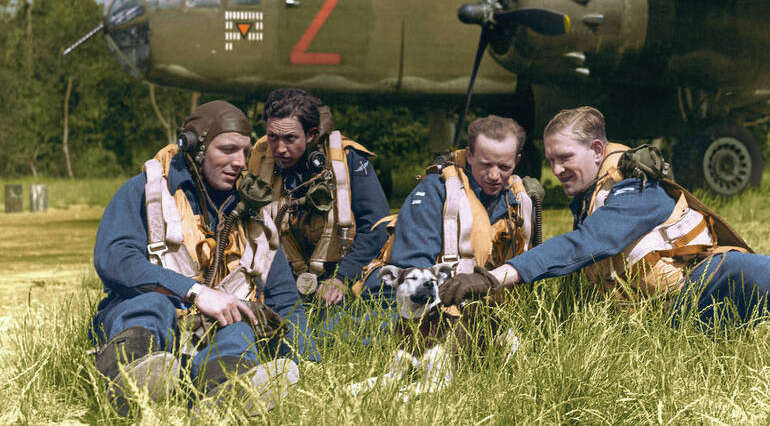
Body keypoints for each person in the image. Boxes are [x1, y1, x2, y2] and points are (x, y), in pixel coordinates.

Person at [439, 106, 770, 355]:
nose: (556, 170)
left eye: (565, 158)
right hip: (660, 323)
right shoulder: (587, 196)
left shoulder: (638, 185)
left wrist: (493, 279)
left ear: (597, 150)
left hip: (701, 288)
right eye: (551, 160)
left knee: (766, 273)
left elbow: (589, 243)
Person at [91, 100, 318, 416]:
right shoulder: (145, 192)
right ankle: (127, 384)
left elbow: (283, 296)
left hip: (211, 335)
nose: (240, 162)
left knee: (238, 326)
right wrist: (195, 292)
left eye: (244, 151)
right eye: (227, 150)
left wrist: (308, 362)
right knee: (152, 306)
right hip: (151, 322)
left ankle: (223, 397)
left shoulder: (255, 214)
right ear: (195, 149)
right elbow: (114, 259)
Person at [358, 114, 538, 295]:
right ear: (469, 155)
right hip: (400, 297)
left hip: (472, 297)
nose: (493, 175)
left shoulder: (517, 201)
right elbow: (413, 269)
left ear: (517, 161)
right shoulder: (436, 191)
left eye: (504, 167)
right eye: (485, 164)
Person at [247, 88, 390, 305]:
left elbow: (376, 227)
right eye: (272, 137)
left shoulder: (347, 159)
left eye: (290, 138)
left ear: (311, 133)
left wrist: (342, 277)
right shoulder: (261, 159)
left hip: (342, 272)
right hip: (281, 275)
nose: (280, 148)